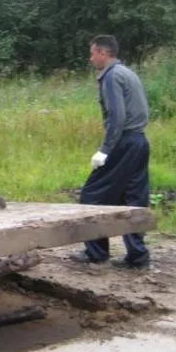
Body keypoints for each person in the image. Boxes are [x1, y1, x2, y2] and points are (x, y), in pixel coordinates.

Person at [70, 34, 151, 269]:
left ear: (104, 54)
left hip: (123, 142)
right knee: (133, 199)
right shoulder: (128, 73)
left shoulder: (111, 76)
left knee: (92, 195)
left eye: (93, 53)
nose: (91, 57)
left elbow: (117, 116)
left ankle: (96, 253)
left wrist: (105, 150)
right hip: (139, 141)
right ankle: (138, 257)